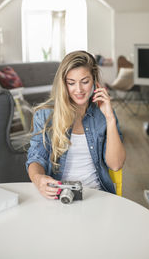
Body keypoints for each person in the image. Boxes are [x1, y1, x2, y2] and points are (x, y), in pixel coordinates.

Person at [26, 50, 126, 199]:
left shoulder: (103, 115)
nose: (78, 90)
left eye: (85, 81)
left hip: (96, 195)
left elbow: (116, 164)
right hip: (59, 196)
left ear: (94, 81)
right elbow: (36, 157)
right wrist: (38, 179)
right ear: (63, 84)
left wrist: (110, 118)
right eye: (71, 83)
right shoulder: (45, 115)